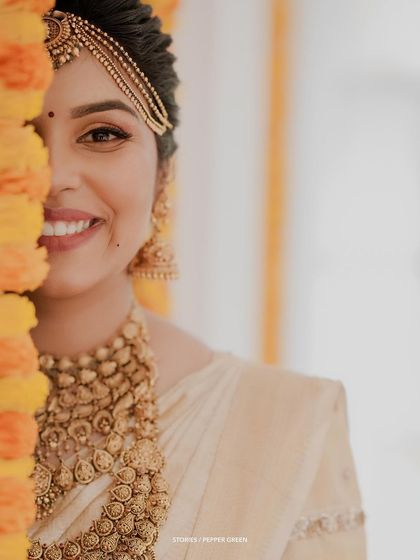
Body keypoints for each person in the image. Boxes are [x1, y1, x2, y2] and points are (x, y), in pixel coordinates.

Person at [25, 1, 367, 558]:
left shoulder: (281, 427)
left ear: (164, 174)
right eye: (16, 132)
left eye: (103, 133)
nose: (55, 176)